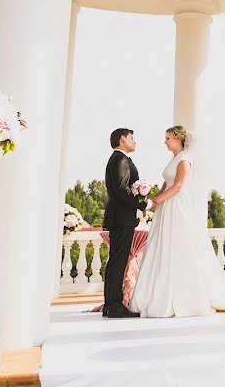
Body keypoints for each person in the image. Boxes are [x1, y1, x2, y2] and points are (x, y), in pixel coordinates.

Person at [129, 125, 225, 318]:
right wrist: (150, 202)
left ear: (178, 139)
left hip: (177, 208)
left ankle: (184, 296)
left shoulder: (184, 160)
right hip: (166, 208)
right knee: (163, 247)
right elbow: (165, 185)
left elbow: (177, 187)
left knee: (179, 247)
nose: (165, 142)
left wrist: (157, 200)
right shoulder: (174, 159)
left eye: (168, 138)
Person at [102, 128, 146, 319]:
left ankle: (110, 305)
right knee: (118, 262)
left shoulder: (118, 159)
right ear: (122, 139)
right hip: (121, 218)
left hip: (119, 217)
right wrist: (142, 203)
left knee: (116, 261)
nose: (135, 142)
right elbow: (121, 189)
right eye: (132, 138)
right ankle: (114, 305)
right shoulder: (121, 160)